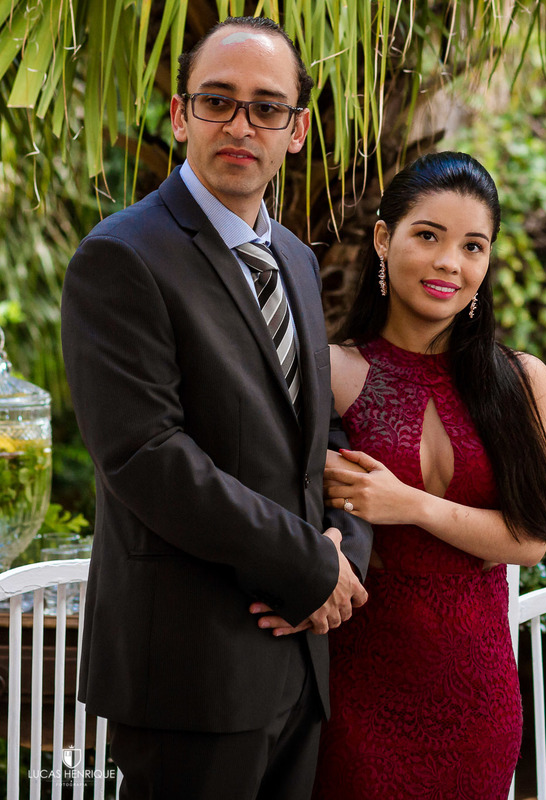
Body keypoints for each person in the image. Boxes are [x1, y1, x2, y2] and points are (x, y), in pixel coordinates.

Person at [60, 17, 371, 798]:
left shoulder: (295, 258)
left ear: (296, 130)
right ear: (179, 114)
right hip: (190, 670)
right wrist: (307, 567)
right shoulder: (122, 255)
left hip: (297, 662)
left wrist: (345, 552)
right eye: (218, 101)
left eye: (267, 107)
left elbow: (320, 431)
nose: (241, 124)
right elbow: (147, 457)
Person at [310, 151, 546, 799]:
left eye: (473, 246)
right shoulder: (331, 372)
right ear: (384, 240)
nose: (452, 262)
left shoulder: (522, 381)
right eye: (429, 236)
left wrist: (408, 504)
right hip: (360, 693)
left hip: (479, 701)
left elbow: (530, 539)